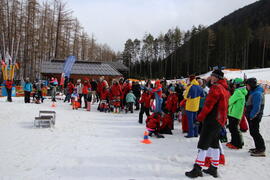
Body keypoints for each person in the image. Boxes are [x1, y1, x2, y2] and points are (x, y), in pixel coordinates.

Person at [185, 69, 230, 178]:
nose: (211, 78)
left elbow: (208, 105)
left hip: (212, 120)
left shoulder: (216, 88)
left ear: (217, 77)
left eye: (212, 76)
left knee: (203, 144)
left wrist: (199, 118)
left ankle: (197, 169)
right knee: (214, 145)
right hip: (219, 120)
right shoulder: (225, 88)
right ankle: (213, 168)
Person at [245, 78, 266, 157]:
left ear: (251, 85)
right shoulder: (253, 91)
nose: (246, 87)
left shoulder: (257, 93)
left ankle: (261, 149)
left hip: (254, 117)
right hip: (252, 116)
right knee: (253, 132)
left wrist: (251, 116)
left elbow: (256, 107)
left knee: (255, 132)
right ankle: (258, 148)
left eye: (247, 85)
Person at [226, 78, 247, 149]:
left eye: (235, 84)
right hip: (236, 113)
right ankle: (235, 142)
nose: (234, 86)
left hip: (234, 113)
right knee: (234, 129)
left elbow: (230, 101)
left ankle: (237, 144)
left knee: (233, 129)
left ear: (238, 84)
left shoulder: (238, 92)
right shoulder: (241, 91)